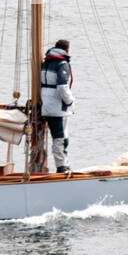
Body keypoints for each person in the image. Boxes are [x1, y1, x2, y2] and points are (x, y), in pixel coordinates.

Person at [39, 38, 75, 173]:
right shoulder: (62, 64)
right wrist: (70, 101)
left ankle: (62, 164)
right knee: (61, 138)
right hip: (58, 108)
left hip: (46, 106)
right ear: (67, 50)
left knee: (57, 137)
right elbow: (62, 87)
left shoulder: (46, 63)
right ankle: (62, 166)